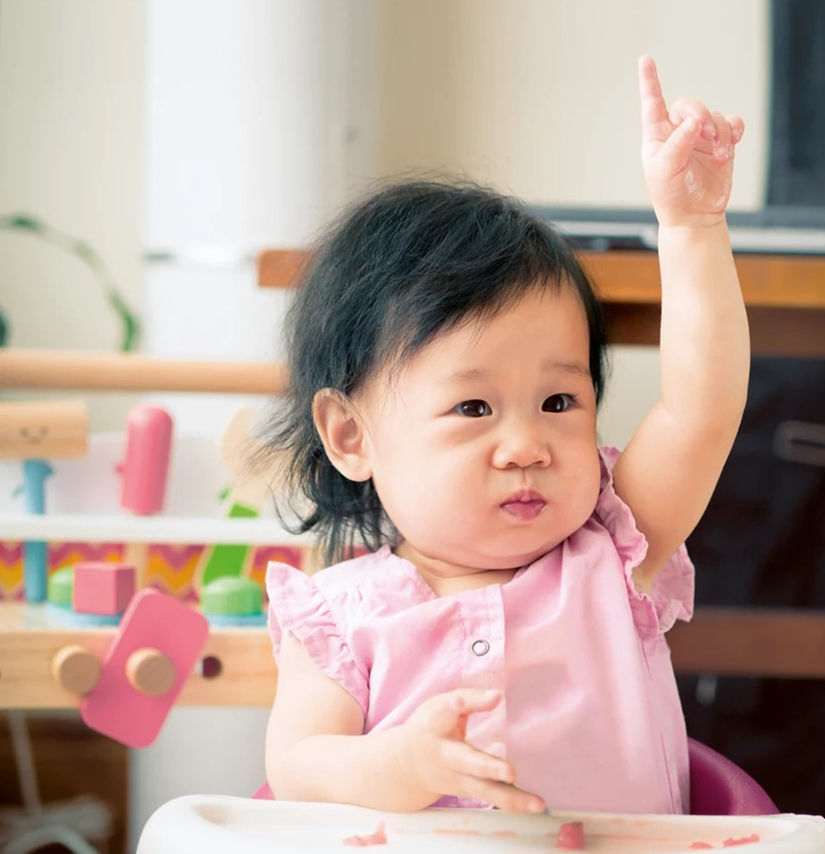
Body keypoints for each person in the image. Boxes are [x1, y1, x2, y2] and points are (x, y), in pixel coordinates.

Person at [261, 56, 748, 816]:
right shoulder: (340, 617)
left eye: (558, 400)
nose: (526, 445)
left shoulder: (614, 553)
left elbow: (701, 410)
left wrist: (691, 227)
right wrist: (398, 766)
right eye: (473, 409)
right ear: (351, 436)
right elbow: (297, 769)